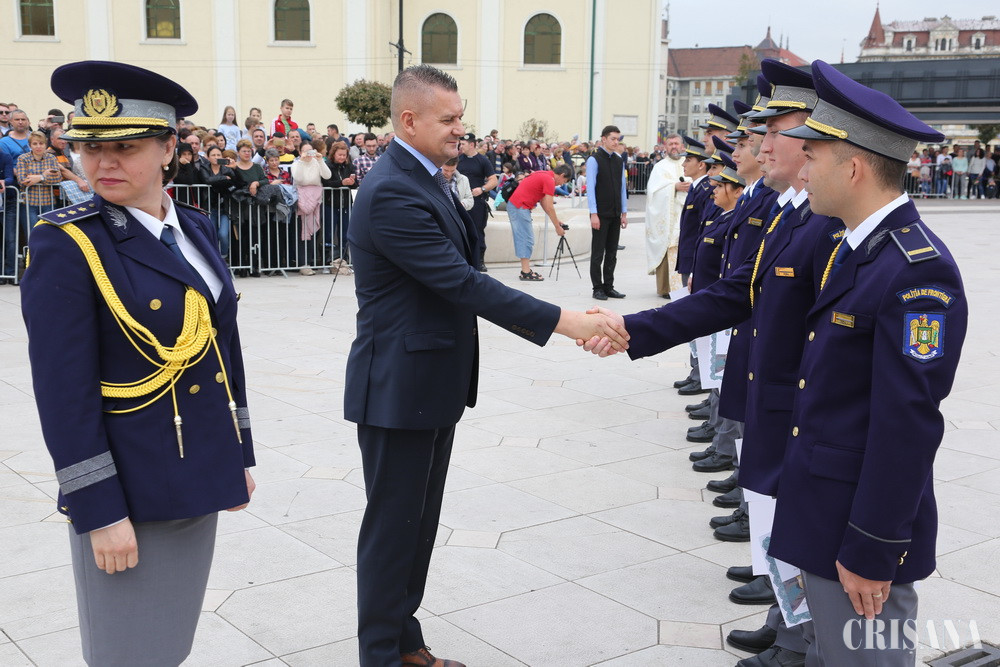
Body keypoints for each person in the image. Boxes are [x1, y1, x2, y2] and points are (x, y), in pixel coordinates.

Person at [345, 64, 628, 667]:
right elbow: (461, 282)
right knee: (393, 532)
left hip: (429, 382)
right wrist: (565, 321)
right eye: (448, 119)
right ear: (409, 120)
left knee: (418, 527)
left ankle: (405, 643)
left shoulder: (427, 178)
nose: (460, 129)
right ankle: (381, 657)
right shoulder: (394, 188)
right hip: (398, 387)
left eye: (461, 118)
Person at [20, 60, 256, 666]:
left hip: (196, 471)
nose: (103, 163)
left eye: (124, 147)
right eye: (88, 148)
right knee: (128, 651)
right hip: (131, 490)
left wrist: (238, 455)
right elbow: (63, 393)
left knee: (168, 643)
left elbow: (221, 349)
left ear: (169, 148)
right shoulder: (67, 242)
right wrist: (99, 510)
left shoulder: (194, 227)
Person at [505, 165, 572, 281]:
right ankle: (525, 272)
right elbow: (550, 206)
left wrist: (556, 221)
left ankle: (526, 270)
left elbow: (544, 202)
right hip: (519, 207)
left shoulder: (544, 174)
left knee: (526, 238)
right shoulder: (549, 180)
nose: (561, 184)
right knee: (526, 238)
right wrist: (557, 227)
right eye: (564, 181)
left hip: (518, 206)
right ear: (562, 175)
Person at [586, 125, 628, 301]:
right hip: (600, 214)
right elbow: (590, 188)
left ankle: (609, 286)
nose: (616, 142)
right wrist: (593, 213)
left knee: (612, 253)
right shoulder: (594, 160)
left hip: (615, 213)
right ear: (604, 139)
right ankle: (597, 288)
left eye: (618, 139)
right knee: (598, 253)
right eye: (613, 139)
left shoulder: (619, 160)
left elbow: (622, 188)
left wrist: (624, 212)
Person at [643, 132, 687, 298]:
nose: (674, 147)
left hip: (685, 215)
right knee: (667, 248)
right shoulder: (660, 167)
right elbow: (653, 192)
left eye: (676, 143)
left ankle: (685, 287)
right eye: (670, 144)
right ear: (665, 147)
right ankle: (666, 288)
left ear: (682, 146)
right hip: (667, 218)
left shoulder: (689, 163)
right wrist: (673, 187)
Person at [457, 133, 497, 271]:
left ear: (472, 144)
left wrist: (482, 189)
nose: (460, 146)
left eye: (463, 144)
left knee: (477, 231)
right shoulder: (458, 159)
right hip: (461, 201)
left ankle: (479, 260)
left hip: (477, 202)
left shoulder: (483, 160)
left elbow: (493, 180)